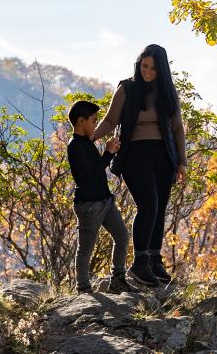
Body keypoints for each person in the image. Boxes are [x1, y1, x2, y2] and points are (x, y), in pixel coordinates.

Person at [92, 43, 187, 286]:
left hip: (165, 155)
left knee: (159, 208)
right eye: (144, 66)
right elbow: (111, 119)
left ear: (161, 70)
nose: (147, 72)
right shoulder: (127, 88)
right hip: (135, 154)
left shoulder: (168, 91)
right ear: (138, 64)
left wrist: (182, 162)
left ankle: (154, 260)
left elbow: (177, 128)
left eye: (153, 68)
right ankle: (139, 264)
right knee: (148, 205)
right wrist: (90, 138)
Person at [67, 100, 134, 294]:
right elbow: (91, 172)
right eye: (93, 121)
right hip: (89, 205)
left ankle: (118, 279)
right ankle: (83, 289)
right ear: (81, 121)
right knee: (85, 249)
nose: (96, 125)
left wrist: (108, 151)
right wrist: (108, 153)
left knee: (121, 236)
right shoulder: (75, 146)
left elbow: (96, 168)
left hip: (105, 200)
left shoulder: (85, 144)